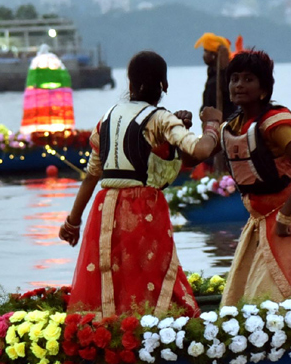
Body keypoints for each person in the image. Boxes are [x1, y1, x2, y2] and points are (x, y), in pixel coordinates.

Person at [58, 52, 222, 320]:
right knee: (149, 277)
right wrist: (212, 124)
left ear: (130, 84)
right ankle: (152, 339)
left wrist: (72, 223)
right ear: (164, 84)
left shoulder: (106, 119)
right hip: (141, 208)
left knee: (113, 279)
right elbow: (201, 151)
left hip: (104, 208)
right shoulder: (160, 118)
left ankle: (115, 339)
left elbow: (91, 177)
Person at [216, 50, 291, 305]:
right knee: (242, 294)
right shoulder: (234, 125)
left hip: (287, 216)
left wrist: (285, 216)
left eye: (248, 79)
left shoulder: (275, 122)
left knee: (279, 293)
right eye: (235, 79)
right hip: (258, 219)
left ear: (263, 89)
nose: (239, 85)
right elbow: (195, 157)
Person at [194, 32, 231, 112]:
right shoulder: (212, 74)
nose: (204, 55)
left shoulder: (225, 77)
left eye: (206, 51)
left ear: (214, 55)